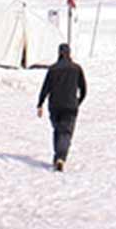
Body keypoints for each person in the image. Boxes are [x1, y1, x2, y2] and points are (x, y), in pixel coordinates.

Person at [36, 43, 87, 171]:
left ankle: (57, 156)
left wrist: (40, 103)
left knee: (58, 131)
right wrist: (77, 101)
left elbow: (45, 88)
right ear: (70, 53)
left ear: (59, 53)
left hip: (55, 106)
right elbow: (84, 89)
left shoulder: (53, 69)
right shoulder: (76, 68)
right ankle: (61, 157)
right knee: (66, 132)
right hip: (70, 106)